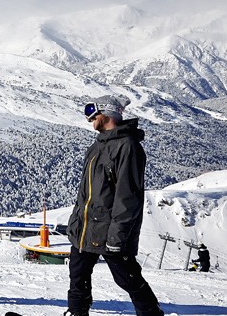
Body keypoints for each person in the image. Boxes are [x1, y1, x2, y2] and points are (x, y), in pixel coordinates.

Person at [65, 95, 164, 316]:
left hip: (110, 231)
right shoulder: (97, 146)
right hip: (85, 229)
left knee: (127, 277)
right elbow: (86, 193)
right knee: (77, 276)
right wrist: (75, 222)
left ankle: (150, 313)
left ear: (106, 113)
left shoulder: (127, 147)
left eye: (92, 110)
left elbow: (128, 197)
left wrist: (117, 237)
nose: (88, 117)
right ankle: (76, 312)